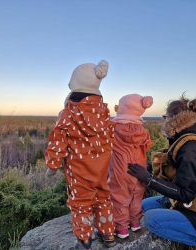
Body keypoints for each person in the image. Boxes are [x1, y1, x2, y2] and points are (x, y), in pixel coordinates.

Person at [45, 60, 116, 250]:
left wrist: (52, 165)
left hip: (79, 169)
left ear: (74, 86)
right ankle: (108, 233)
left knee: (81, 203)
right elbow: (110, 137)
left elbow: (58, 140)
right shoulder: (104, 112)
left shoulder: (68, 113)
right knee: (102, 196)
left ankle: (84, 240)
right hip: (102, 167)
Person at [127, 93, 196, 246]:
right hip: (190, 202)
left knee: (152, 219)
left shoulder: (190, 148)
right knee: (144, 205)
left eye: (165, 117)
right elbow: (173, 164)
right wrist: (147, 169)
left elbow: (186, 194)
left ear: (173, 120)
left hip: (193, 207)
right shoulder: (186, 137)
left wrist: (147, 178)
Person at [107, 93, 154, 239]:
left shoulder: (113, 128)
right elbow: (147, 147)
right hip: (140, 170)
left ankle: (121, 229)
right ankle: (135, 223)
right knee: (137, 195)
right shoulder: (143, 132)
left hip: (120, 169)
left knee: (120, 196)